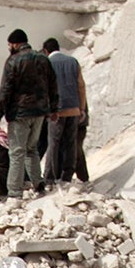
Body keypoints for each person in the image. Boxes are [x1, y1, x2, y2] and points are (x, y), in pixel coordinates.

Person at [0, 30, 57, 198]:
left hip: (20, 113)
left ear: (14, 44)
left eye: (9, 45)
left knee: (16, 152)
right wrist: (54, 109)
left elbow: (5, 90)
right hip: (40, 112)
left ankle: (14, 192)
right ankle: (38, 184)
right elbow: (53, 85)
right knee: (31, 149)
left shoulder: (13, 61)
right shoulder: (43, 58)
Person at [40, 38, 89, 185]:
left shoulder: (47, 64)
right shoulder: (73, 62)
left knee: (53, 144)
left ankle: (49, 177)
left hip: (56, 112)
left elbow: (44, 89)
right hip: (73, 110)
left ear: (45, 51)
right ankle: (67, 176)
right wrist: (81, 108)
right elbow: (81, 86)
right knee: (70, 143)